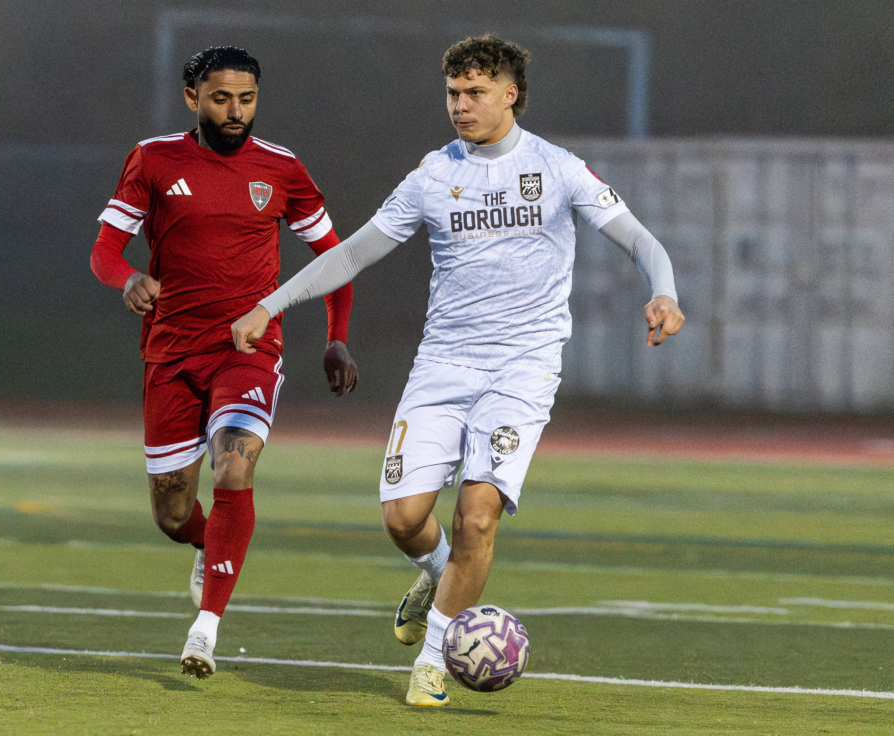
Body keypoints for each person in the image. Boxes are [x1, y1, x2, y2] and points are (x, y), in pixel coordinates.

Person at [232, 34, 684, 705]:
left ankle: (433, 664)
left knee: (477, 517)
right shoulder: (432, 177)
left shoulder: (558, 170)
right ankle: (436, 574)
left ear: (512, 94)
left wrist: (665, 289)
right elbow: (353, 254)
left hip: (523, 370)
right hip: (443, 364)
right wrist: (272, 304)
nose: (460, 106)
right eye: (452, 93)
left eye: (475, 93)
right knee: (402, 519)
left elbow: (640, 238)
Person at [90, 45, 358, 680]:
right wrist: (127, 278)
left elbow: (336, 259)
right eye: (221, 98)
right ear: (193, 99)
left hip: (248, 349)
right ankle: (207, 546)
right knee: (172, 512)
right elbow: (104, 248)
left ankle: (204, 631)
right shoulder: (153, 159)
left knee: (234, 469)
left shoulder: (283, 169)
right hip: (170, 352)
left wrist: (335, 337)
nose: (236, 111)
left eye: (247, 98)